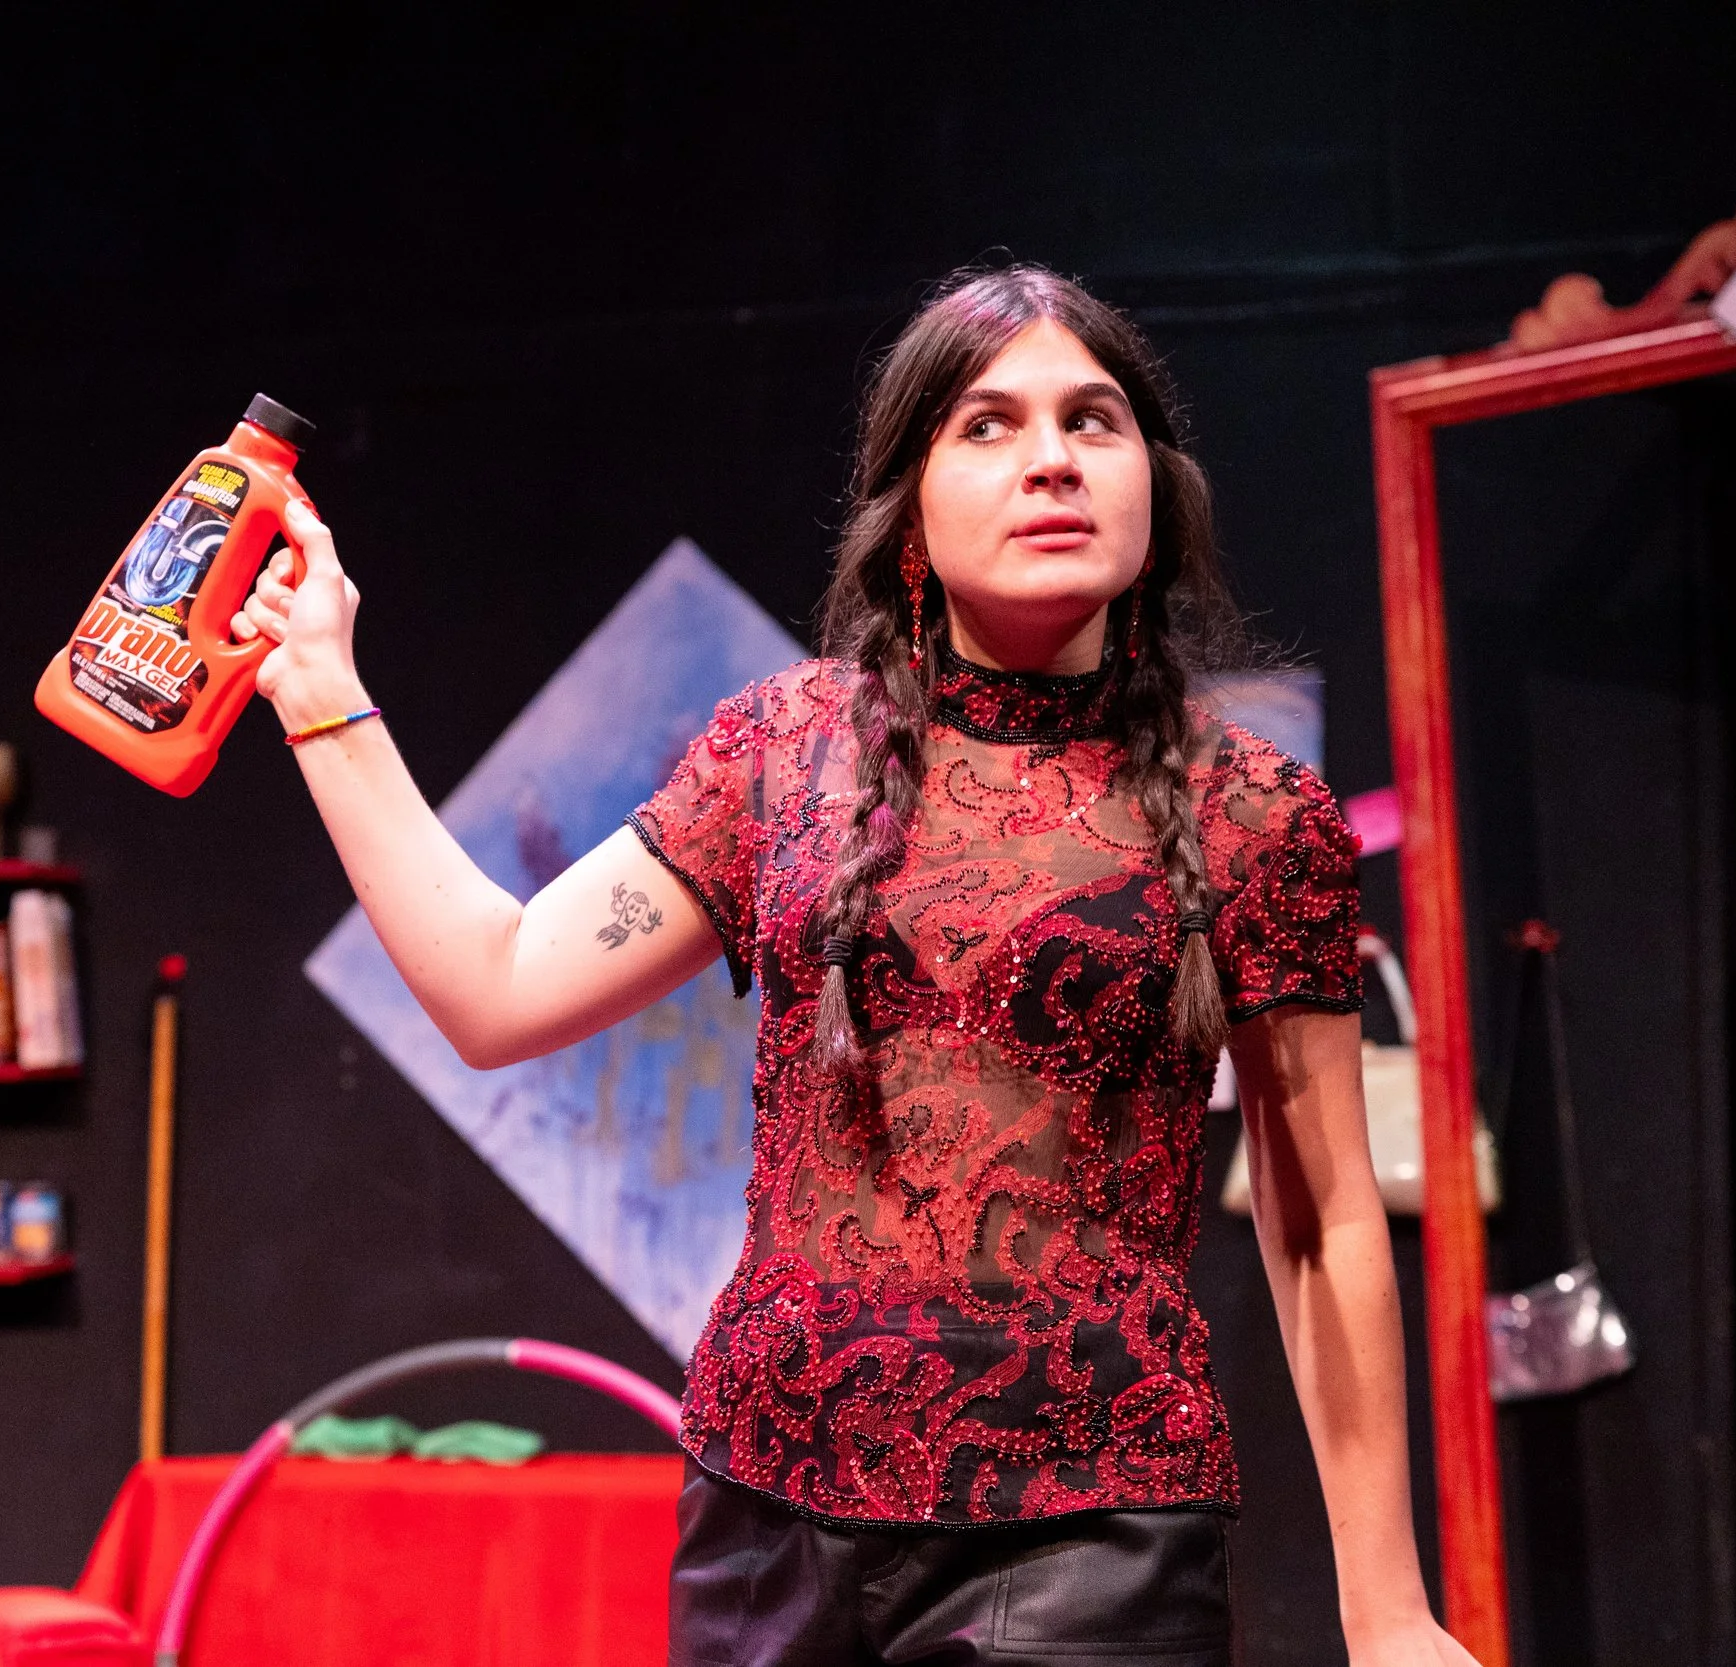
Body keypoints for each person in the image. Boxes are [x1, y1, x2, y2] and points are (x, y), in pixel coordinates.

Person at [234, 266, 1480, 1667]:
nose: (1053, 459)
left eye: (1094, 420)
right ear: (910, 507)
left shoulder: (1254, 811)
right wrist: (322, 692)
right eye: (989, 425)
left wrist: (1387, 1608)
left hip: (1089, 1539)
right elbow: (498, 985)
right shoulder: (780, 752)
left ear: (1156, 487)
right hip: (766, 1526)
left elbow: (1321, 1221)